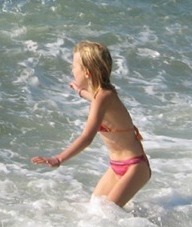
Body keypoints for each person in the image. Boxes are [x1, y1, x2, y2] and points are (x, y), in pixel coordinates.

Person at [32, 41, 151, 208]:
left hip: (135, 166)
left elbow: (87, 137)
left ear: (87, 73)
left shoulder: (104, 97)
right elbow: (95, 98)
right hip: (117, 166)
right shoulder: (101, 95)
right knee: (96, 208)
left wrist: (58, 159)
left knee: (107, 213)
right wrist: (81, 92)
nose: (72, 70)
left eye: (74, 66)